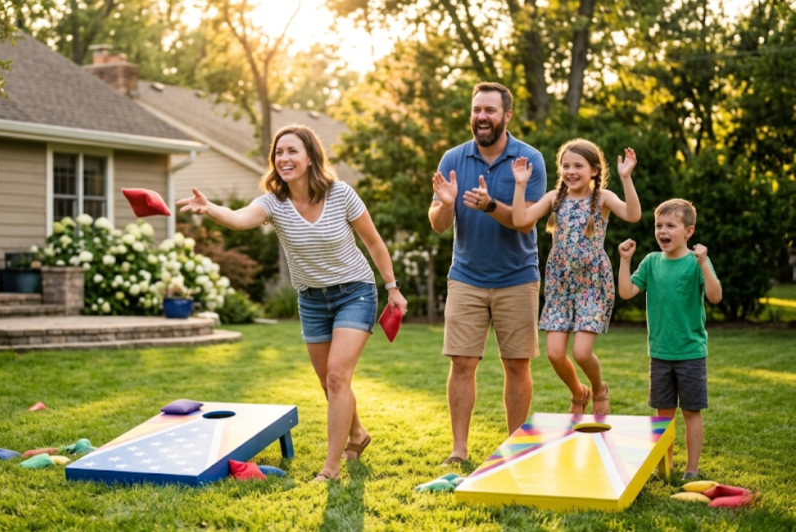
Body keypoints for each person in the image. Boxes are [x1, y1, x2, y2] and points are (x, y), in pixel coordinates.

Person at [177, 124, 408, 482]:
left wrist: (392, 288)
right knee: (328, 382)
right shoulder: (274, 202)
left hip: (355, 291)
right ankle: (358, 434)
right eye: (278, 153)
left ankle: (331, 469)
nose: (284, 158)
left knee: (337, 375)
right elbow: (240, 220)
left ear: (311, 157)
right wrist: (210, 209)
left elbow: (374, 242)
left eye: (292, 151)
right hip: (312, 299)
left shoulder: (341, 194)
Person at [428, 82, 547, 465]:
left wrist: (491, 205)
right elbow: (438, 224)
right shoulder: (453, 158)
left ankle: (515, 446)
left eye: (490, 110)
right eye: (477, 109)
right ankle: (459, 451)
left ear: (507, 116)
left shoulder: (529, 160)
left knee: (516, 364)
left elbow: (525, 223)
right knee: (461, 362)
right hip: (466, 276)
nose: (481, 116)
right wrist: (447, 205)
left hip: (517, 276)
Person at [510, 139, 641, 415]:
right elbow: (520, 220)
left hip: (592, 285)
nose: (570, 171)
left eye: (578, 166)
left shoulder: (603, 198)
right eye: (565, 166)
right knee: (555, 354)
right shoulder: (553, 199)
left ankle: (598, 387)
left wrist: (626, 178)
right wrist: (520, 185)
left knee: (581, 353)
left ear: (594, 170)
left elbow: (633, 214)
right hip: (560, 285)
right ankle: (578, 392)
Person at [618, 199, 722, 480]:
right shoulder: (651, 262)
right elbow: (626, 292)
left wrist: (703, 264)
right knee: (663, 415)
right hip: (660, 353)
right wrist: (625, 261)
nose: (662, 231)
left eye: (670, 226)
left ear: (688, 232)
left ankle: (692, 469)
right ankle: (665, 466)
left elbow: (715, 296)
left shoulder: (696, 262)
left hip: (690, 352)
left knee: (690, 411)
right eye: (658, 225)